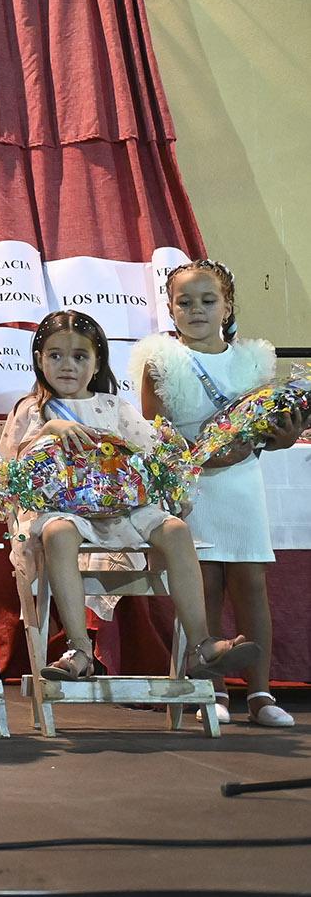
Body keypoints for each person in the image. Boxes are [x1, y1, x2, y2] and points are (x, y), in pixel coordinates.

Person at [0, 310, 259, 688]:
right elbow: (11, 468)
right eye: (55, 355)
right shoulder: (32, 409)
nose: (67, 365)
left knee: (174, 529)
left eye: (79, 356)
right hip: (63, 510)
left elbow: (154, 452)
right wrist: (51, 428)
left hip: (123, 507)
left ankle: (201, 645)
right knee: (58, 533)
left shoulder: (114, 407)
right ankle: (79, 649)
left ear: (98, 360)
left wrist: (175, 490)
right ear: (39, 359)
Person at [133, 260, 305, 728]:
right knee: (204, 583)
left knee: (251, 585)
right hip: (192, 488)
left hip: (242, 484)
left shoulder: (253, 360)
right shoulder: (160, 361)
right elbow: (152, 434)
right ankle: (212, 690)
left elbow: (262, 426)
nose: (196, 310)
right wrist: (197, 456)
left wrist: (284, 436)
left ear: (227, 305)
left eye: (208, 301)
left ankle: (261, 692)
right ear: (169, 308)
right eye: (184, 302)